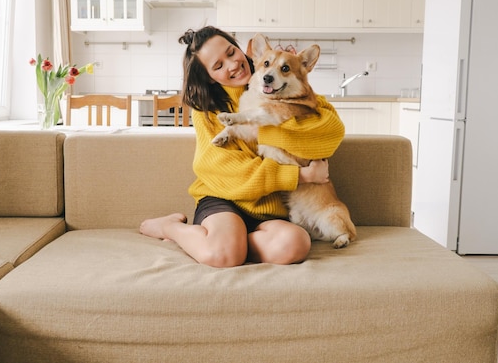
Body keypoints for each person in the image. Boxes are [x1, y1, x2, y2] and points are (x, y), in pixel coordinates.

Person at [140, 26, 345, 268]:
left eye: (231, 52)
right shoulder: (207, 109)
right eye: (218, 66)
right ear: (208, 76)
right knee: (224, 256)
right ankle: (170, 227)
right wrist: (298, 175)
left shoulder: (287, 88)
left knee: (295, 244)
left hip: (270, 205)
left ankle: (235, 243)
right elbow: (218, 168)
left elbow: (331, 133)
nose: (232, 65)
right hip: (224, 198)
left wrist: (267, 125)